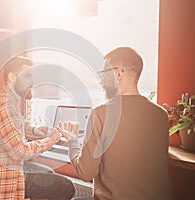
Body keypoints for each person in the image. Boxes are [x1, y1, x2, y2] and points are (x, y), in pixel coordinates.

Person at [58, 47, 174, 200]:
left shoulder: (101, 113)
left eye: (104, 74)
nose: (101, 81)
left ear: (119, 73)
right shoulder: (160, 114)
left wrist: (73, 141)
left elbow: (85, 173)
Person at [0, 56, 75, 200]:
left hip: (4, 169)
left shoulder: (8, 101)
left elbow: (19, 127)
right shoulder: (4, 106)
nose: (33, 82)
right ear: (12, 77)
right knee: (66, 187)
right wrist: (52, 139)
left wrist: (40, 131)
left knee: (48, 173)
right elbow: (21, 151)